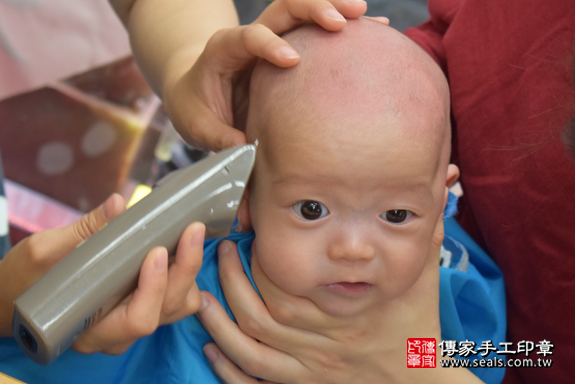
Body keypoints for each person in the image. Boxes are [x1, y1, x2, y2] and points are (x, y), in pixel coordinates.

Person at [0, 19, 505, 383]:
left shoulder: (450, 284)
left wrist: (422, 367)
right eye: (312, 210)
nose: (354, 249)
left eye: (397, 215)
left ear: (441, 200)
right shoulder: (179, 297)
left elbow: (520, 358)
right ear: (246, 196)